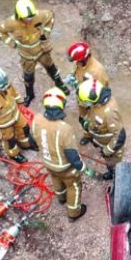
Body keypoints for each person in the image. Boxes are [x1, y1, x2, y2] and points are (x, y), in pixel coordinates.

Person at [32, 87, 94, 221]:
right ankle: (74, 213)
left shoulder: (36, 119)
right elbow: (72, 155)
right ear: (62, 106)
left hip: (48, 163)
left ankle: (61, 198)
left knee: (55, 178)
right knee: (74, 186)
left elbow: (32, 141)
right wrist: (82, 167)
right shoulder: (65, 129)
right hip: (65, 167)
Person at [0, 0, 70, 106]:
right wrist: (11, 43)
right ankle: (30, 95)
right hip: (26, 56)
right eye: (26, 18)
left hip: (42, 51)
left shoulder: (39, 15)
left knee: (52, 69)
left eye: (31, 17)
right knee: (28, 77)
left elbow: (50, 16)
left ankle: (60, 84)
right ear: (19, 16)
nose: (29, 20)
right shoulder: (10, 23)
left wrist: (46, 34)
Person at [0, 65, 37, 164]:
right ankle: (14, 154)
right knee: (10, 141)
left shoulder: (3, 83)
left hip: (15, 114)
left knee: (25, 128)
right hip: (3, 123)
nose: (5, 88)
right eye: (2, 88)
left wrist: (19, 100)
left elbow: (13, 91)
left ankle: (26, 144)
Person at [77, 78, 126, 180]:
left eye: (86, 101)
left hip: (109, 145)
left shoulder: (109, 112)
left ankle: (114, 174)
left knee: (112, 163)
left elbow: (120, 136)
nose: (84, 103)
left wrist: (107, 150)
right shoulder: (97, 102)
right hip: (99, 137)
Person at [66, 41, 110, 146]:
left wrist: (90, 104)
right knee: (82, 119)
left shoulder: (97, 71)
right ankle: (87, 135)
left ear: (84, 59)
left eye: (77, 61)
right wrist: (73, 77)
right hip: (82, 99)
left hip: (92, 103)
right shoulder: (81, 64)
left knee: (94, 123)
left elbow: (101, 91)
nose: (76, 63)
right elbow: (78, 71)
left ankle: (98, 139)